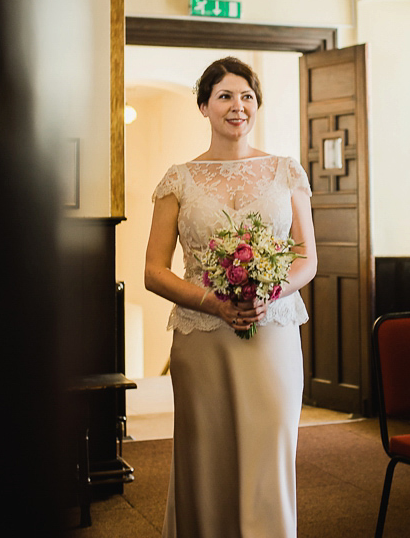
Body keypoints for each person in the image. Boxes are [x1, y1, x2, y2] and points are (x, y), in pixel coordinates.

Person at [144, 57, 318, 538]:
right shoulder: (178, 179)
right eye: (224, 96)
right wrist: (215, 304)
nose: (237, 106)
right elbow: (153, 271)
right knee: (207, 453)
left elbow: (307, 258)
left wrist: (268, 292)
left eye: (246, 96)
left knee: (270, 447)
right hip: (203, 339)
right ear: (203, 106)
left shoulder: (285, 171)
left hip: (273, 332)